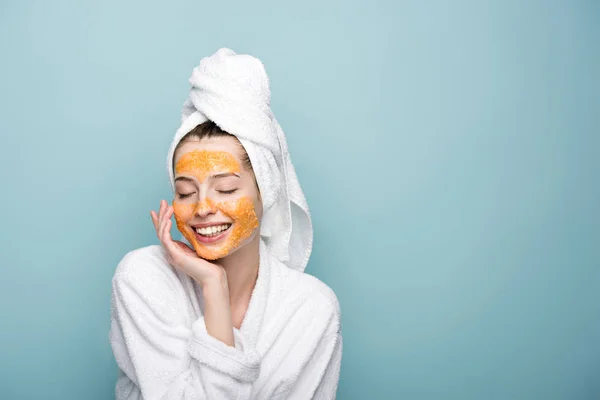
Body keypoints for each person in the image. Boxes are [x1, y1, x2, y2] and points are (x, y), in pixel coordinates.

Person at [109, 48, 342, 399]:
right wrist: (214, 286)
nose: (202, 207)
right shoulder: (142, 277)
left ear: (267, 192)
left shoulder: (310, 309)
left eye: (226, 189)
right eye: (186, 192)